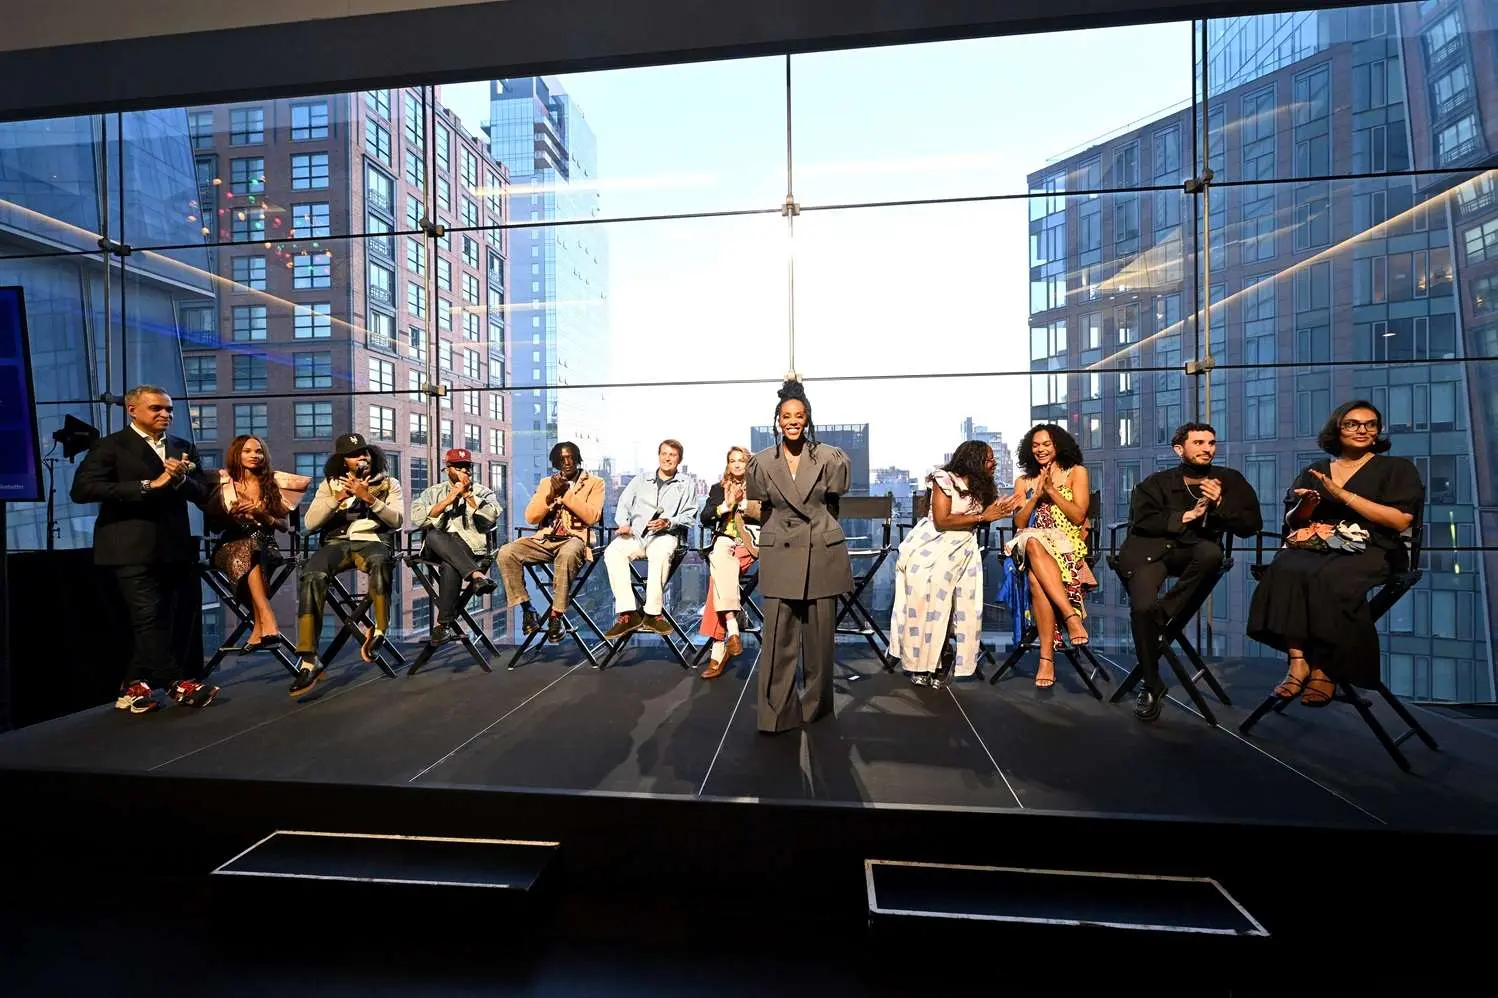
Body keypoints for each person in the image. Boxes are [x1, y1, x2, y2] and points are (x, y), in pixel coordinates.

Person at [1247, 400, 1423, 707]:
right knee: (1284, 567)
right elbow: (1293, 522)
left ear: (1378, 431)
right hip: (1318, 543)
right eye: (1352, 424)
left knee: (1332, 578)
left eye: (1370, 424)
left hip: (1373, 546)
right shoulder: (1314, 470)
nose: (1362, 430)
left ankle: (1324, 668)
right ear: (1337, 429)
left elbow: (1400, 520)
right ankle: (1298, 661)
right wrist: (1307, 506)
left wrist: (1344, 496)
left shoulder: (1397, 468)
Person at [69, 384, 220, 713]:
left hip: (174, 548)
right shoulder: (111, 446)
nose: (166, 414)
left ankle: (132, 686)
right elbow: (81, 490)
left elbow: (203, 495)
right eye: (157, 409)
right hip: (129, 548)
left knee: (160, 620)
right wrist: (147, 485)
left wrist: (180, 480)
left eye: (168, 409)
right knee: (147, 617)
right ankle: (175, 682)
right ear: (132, 410)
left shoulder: (181, 447)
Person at [1113, 422, 1262, 721]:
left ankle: (1164, 612)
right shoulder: (1156, 482)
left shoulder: (1230, 480)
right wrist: (1185, 515)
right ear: (1179, 449)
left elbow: (1250, 526)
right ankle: (1152, 684)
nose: (1207, 448)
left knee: (1210, 553)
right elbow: (1141, 521)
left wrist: (1219, 503)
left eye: (1211, 442)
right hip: (1149, 552)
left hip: (1196, 554)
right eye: (1198, 443)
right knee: (1142, 609)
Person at [746, 378, 853, 734]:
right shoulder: (760, 463)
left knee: (820, 641)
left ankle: (816, 710)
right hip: (780, 553)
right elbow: (761, 509)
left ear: (807, 420)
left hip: (821, 551)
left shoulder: (829, 457)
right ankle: (776, 713)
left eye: (799, 415)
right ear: (777, 420)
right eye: (786, 416)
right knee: (777, 640)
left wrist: (818, 531)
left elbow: (834, 502)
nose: (792, 421)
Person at [888, 441, 1020, 688]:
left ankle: (943, 655)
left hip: (964, 546)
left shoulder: (984, 487)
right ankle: (922, 662)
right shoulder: (944, 480)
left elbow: (988, 515)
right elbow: (942, 519)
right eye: (989, 459)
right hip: (933, 543)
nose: (994, 463)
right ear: (974, 459)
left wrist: (1002, 509)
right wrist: (982, 517)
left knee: (953, 603)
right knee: (926, 594)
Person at [290, 432, 404, 696]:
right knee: (312, 574)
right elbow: (309, 524)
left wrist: (369, 498)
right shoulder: (329, 485)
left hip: (371, 540)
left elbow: (397, 521)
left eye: (364, 452)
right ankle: (309, 660)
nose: (361, 457)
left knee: (379, 561)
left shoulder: (389, 484)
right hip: (336, 543)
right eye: (354, 455)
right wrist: (337, 498)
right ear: (343, 462)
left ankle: (378, 632)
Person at [1005, 423, 1096, 688]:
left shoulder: (1076, 472)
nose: (1041, 449)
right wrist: (1035, 496)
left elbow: (1079, 515)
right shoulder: (1023, 481)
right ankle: (1071, 616)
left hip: (1066, 542)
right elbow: (1020, 522)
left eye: (1046, 444)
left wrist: (1052, 492)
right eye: (1035, 445)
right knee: (1032, 541)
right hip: (1032, 539)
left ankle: (1046, 659)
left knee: (1036, 580)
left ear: (1058, 445)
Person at [205, 435, 311, 653]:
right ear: (237, 454)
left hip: (266, 545)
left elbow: (283, 526)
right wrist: (230, 514)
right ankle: (267, 618)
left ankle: (258, 630)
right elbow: (214, 527)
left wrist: (260, 513)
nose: (254, 455)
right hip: (228, 546)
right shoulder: (224, 485)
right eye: (247, 451)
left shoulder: (273, 484)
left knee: (254, 551)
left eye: (258, 451)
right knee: (249, 550)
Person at [495, 441, 604, 644]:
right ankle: (528, 609)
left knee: (568, 554)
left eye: (571, 457)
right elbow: (531, 518)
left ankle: (556, 616)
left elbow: (592, 517)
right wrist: (551, 496)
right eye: (562, 458)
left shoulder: (595, 483)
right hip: (545, 539)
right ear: (555, 461)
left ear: (577, 458)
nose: (567, 462)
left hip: (575, 539)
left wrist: (566, 494)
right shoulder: (547, 482)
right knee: (506, 552)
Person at [601, 439, 699, 641]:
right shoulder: (640, 480)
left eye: (672, 455)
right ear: (658, 456)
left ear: (679, 459)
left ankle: (653, 613)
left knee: (660, 552)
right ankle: (627, 613)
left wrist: (668, 522)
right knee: (612, 552)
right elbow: (623, 504)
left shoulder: (687, 484)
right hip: (636, 535)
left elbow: (690, 516)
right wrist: (623, 523)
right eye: (664, 453)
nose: (667, 458)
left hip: (665, 536)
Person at [410, 447, 501, 645]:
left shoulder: (483, 492)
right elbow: (417, 518)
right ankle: (477, 576)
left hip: (470, 549)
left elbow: (492, 517)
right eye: (459, 467)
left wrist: (468, 496)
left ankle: (443, 626)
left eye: (467, 467)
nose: (465, 471)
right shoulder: (433, 492)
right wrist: (448, 500)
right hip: (437, 547)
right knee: (434, 534)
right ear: (448, 468)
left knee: (449, 565)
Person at [697, 445, 763, 679]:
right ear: (727, 464)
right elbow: (704, 517)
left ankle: (720, 646)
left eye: (741, 460)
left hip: (748, 542)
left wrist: (743, 503)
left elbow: (768, 515)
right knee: (720, 560)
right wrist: (725, 506)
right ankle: (732, 631)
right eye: (732, 460)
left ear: (748, 464)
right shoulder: (718, 488)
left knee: (718, 577)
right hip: (724, 540)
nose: (736, 464)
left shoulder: (758, 488)